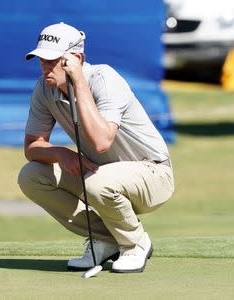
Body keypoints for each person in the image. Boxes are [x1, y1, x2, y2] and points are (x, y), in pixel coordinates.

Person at [17, 22, 174, 273]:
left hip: (153, 173)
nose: (45, 65)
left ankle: (135, 243)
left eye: (52, 59)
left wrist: (79, 83)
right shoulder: (44, 90)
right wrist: (61, 154)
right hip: (101, 175)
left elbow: (102, 141)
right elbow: (32, 147)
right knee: (31, 176)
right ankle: (107, 239)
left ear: (75, 59)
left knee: (97, 183)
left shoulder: (104, 78)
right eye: (41, 59)